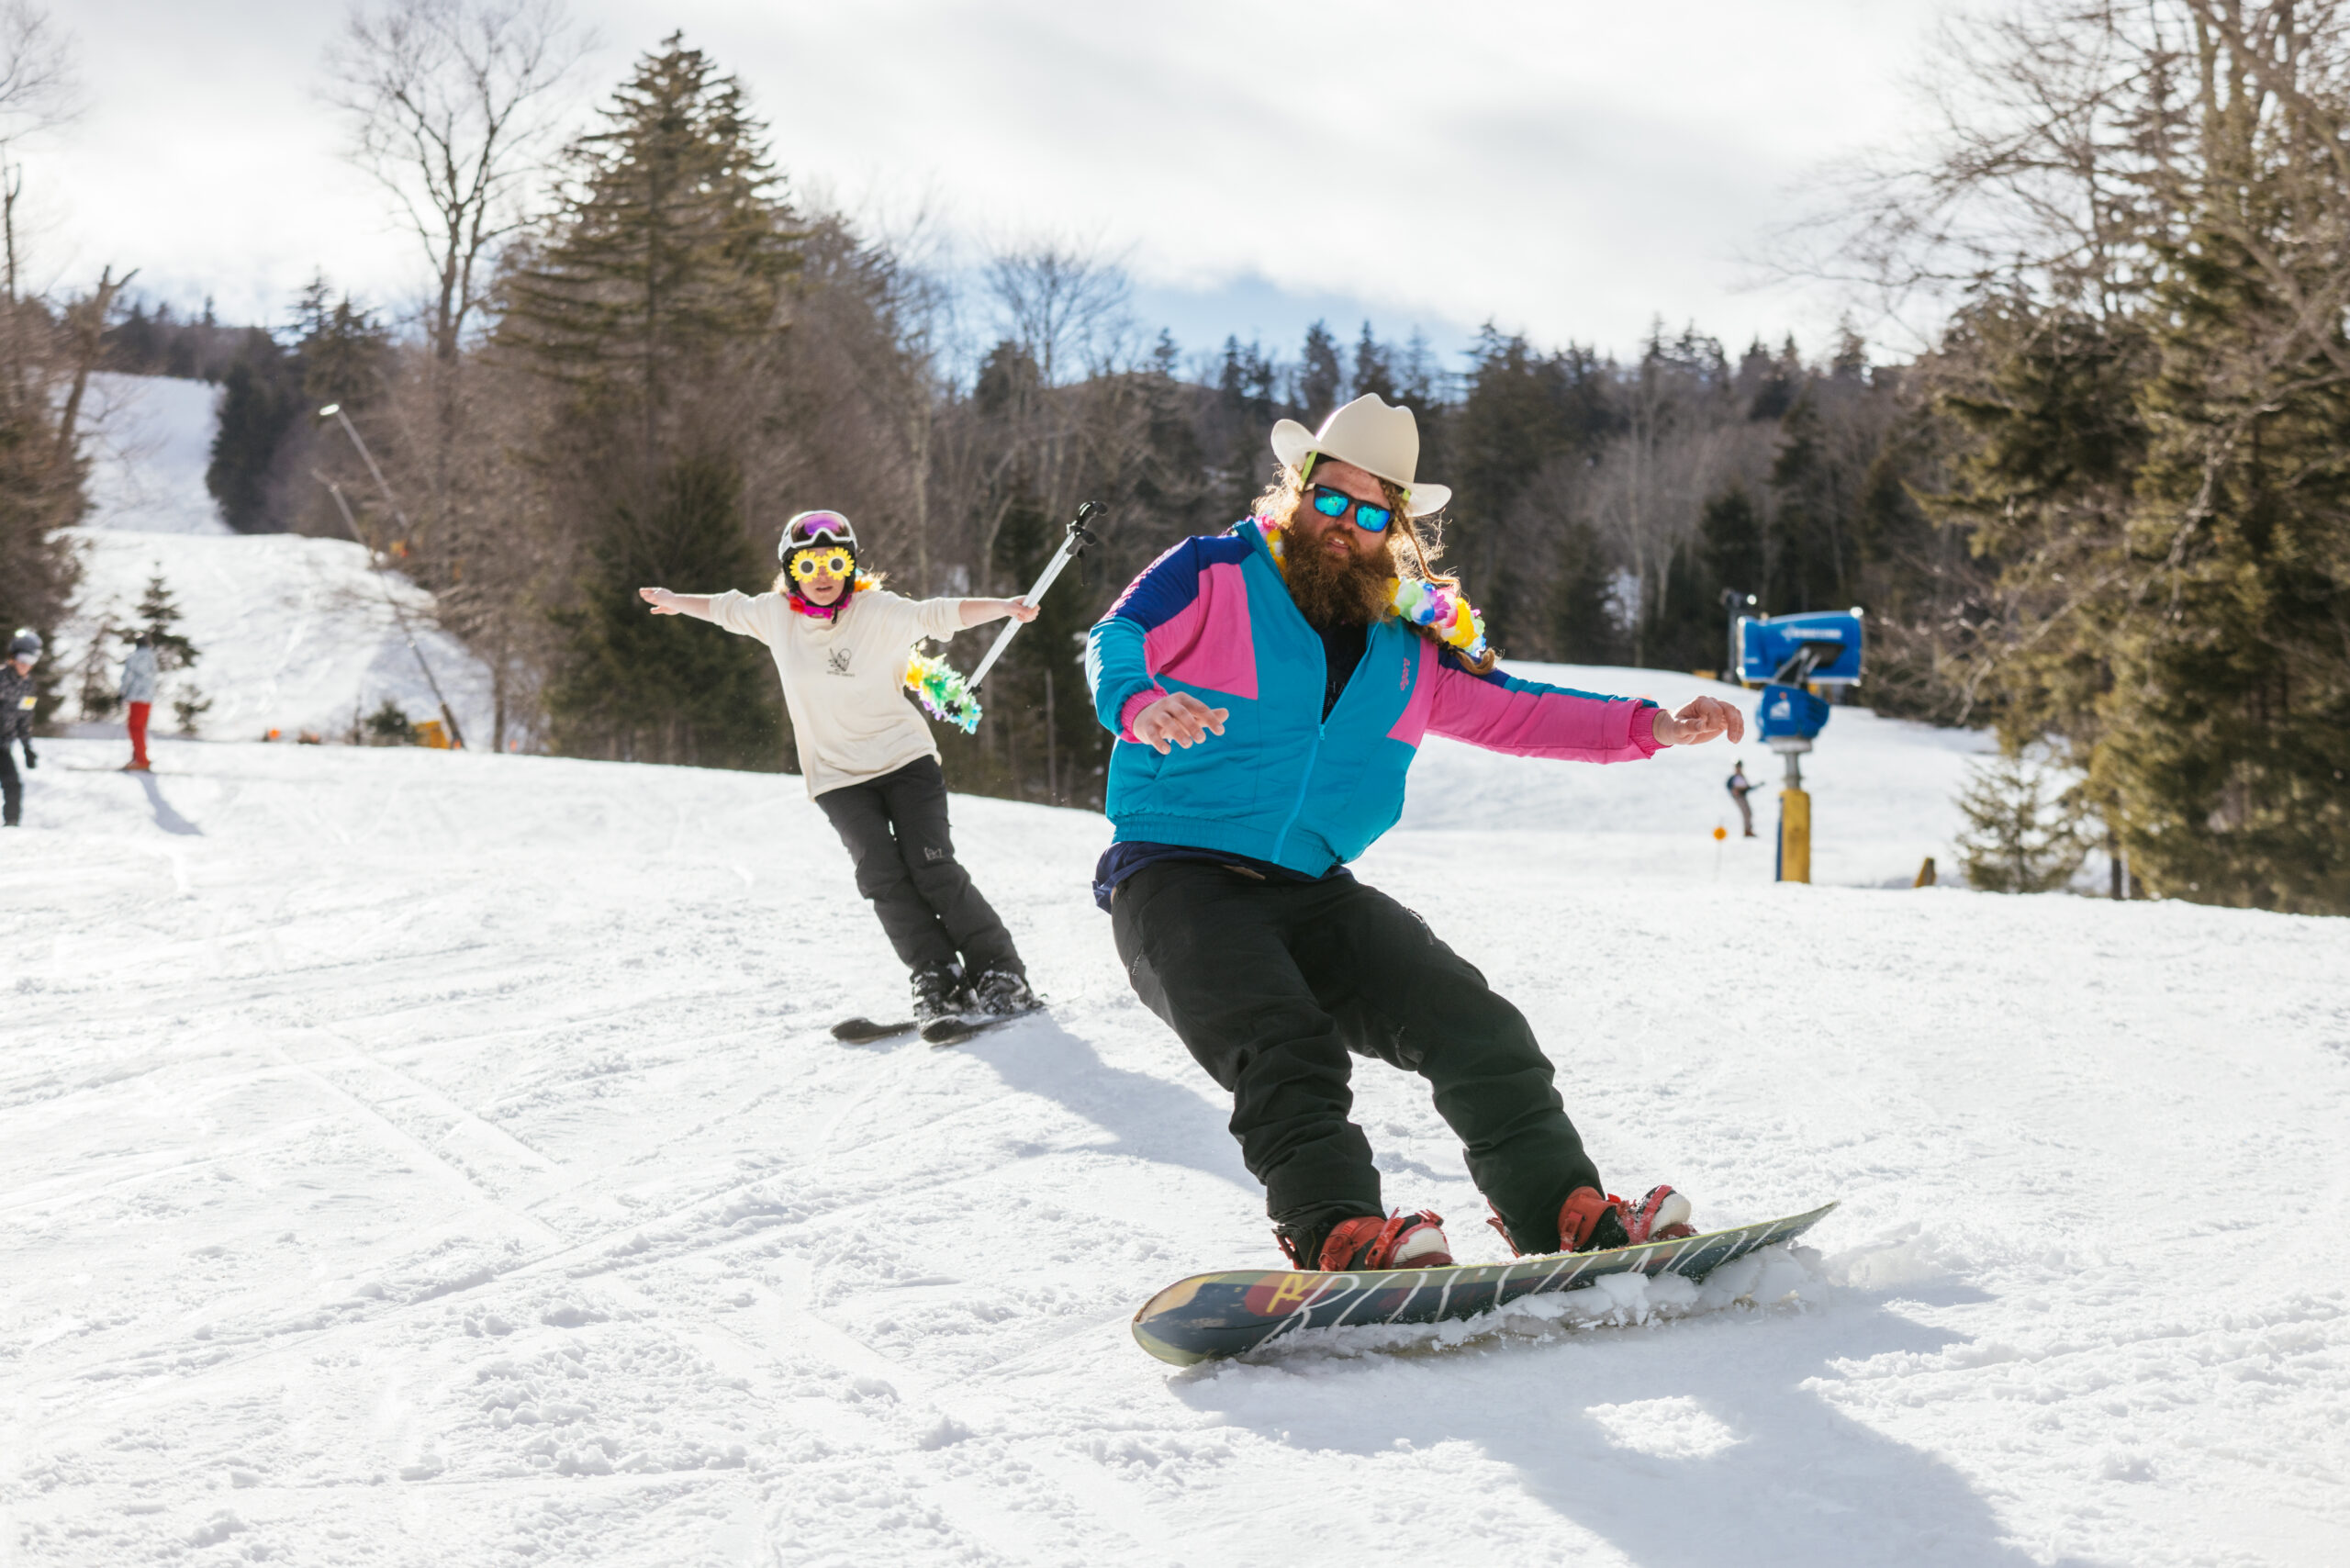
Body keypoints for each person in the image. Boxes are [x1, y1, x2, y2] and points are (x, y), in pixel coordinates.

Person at [1086, 395, 1746, 1273]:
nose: (1342, 524)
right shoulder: (1212, 572)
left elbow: (1521, 712)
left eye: (1369, 511)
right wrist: (1138, 700)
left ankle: (1565, 1213)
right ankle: (1340, 1231)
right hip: (1176, 874)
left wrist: (1655, 726)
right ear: (1298, 488)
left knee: (1476, 1025)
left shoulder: (1411, 638)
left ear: (1394, 525)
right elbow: (1116, 633)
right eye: (1330, 497)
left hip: (1313, 888)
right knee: (1285, 1045)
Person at [639, 510, 1041, 1023]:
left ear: (850, 566)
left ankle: (1000, 973)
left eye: (834, 561)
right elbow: (725, 608)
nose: (823, 573)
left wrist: (1003, 608)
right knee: (881, 875)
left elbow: (937, 615)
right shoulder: (775, 616)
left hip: (905, 761)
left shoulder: (878, 610)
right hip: (837, 778)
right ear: (792, 572)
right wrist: (676, 603)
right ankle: (936, 975)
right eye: (809, 565)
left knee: (932, 865)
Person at [2, 629, 41, 828]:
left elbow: (24, 720)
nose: (26, 664)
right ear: (13, 656)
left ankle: (11, 825)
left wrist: (27, 748)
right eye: (23, 658)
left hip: (3, 744)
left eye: (32, 660)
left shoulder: (28, 687)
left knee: (13, 785)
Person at [120, 633, 159, 773]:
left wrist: (122, 692)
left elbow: (128, 677)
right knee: (141, 728)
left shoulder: (135, 657)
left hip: (136, 696)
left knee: (135, 727)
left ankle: (140, 760)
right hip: (148, 697)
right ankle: (139, 757)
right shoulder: (152, 657)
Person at [1728, 759, 1754, 837]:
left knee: (1748, 813)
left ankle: (1749, 829)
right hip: (1738, 797)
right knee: (1745, 812)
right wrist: (1734, 791)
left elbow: (1746, 787)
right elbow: (1729, 786)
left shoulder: (1741, 777)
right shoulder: (1734, 777)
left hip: (1743, 796)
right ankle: (1747, 830)